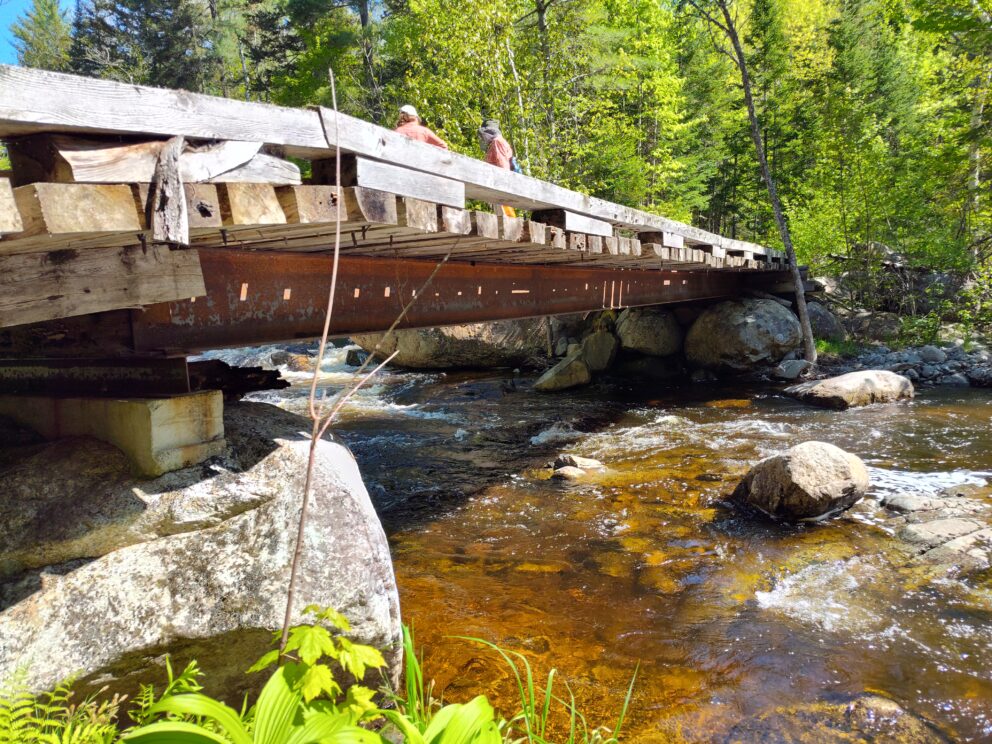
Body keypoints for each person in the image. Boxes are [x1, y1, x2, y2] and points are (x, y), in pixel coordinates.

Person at [478, 119, 517, 217]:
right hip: (499, 185)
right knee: (503, 214)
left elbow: (502, 164)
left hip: (500, 185)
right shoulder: (499, 141)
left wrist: (503, 184)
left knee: (506, 216)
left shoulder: (497, 142)